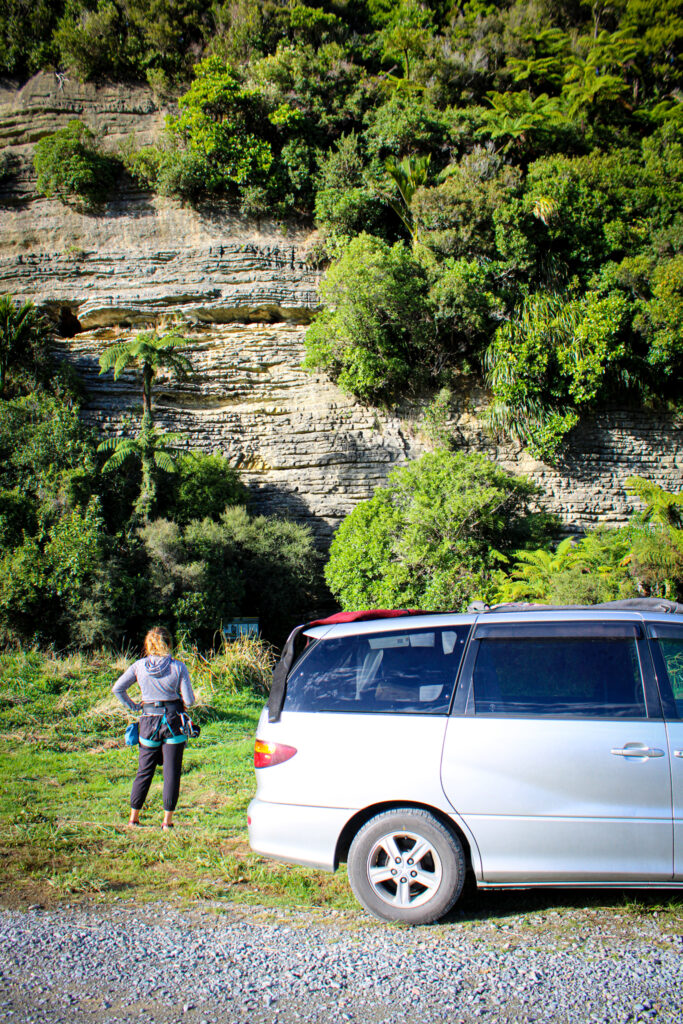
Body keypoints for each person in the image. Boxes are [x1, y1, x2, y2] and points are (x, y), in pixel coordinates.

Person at [112, 626, 195, 830]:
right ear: (169, 644)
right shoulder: (178, 667)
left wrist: (134, 706)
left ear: (148, 645)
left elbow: (118, 689)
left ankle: (133, 818)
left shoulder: (138, 666)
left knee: (144, 771)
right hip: (173, 721)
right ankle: (167, 822)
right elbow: (190, 701)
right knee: (171, 773)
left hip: (148, 722)